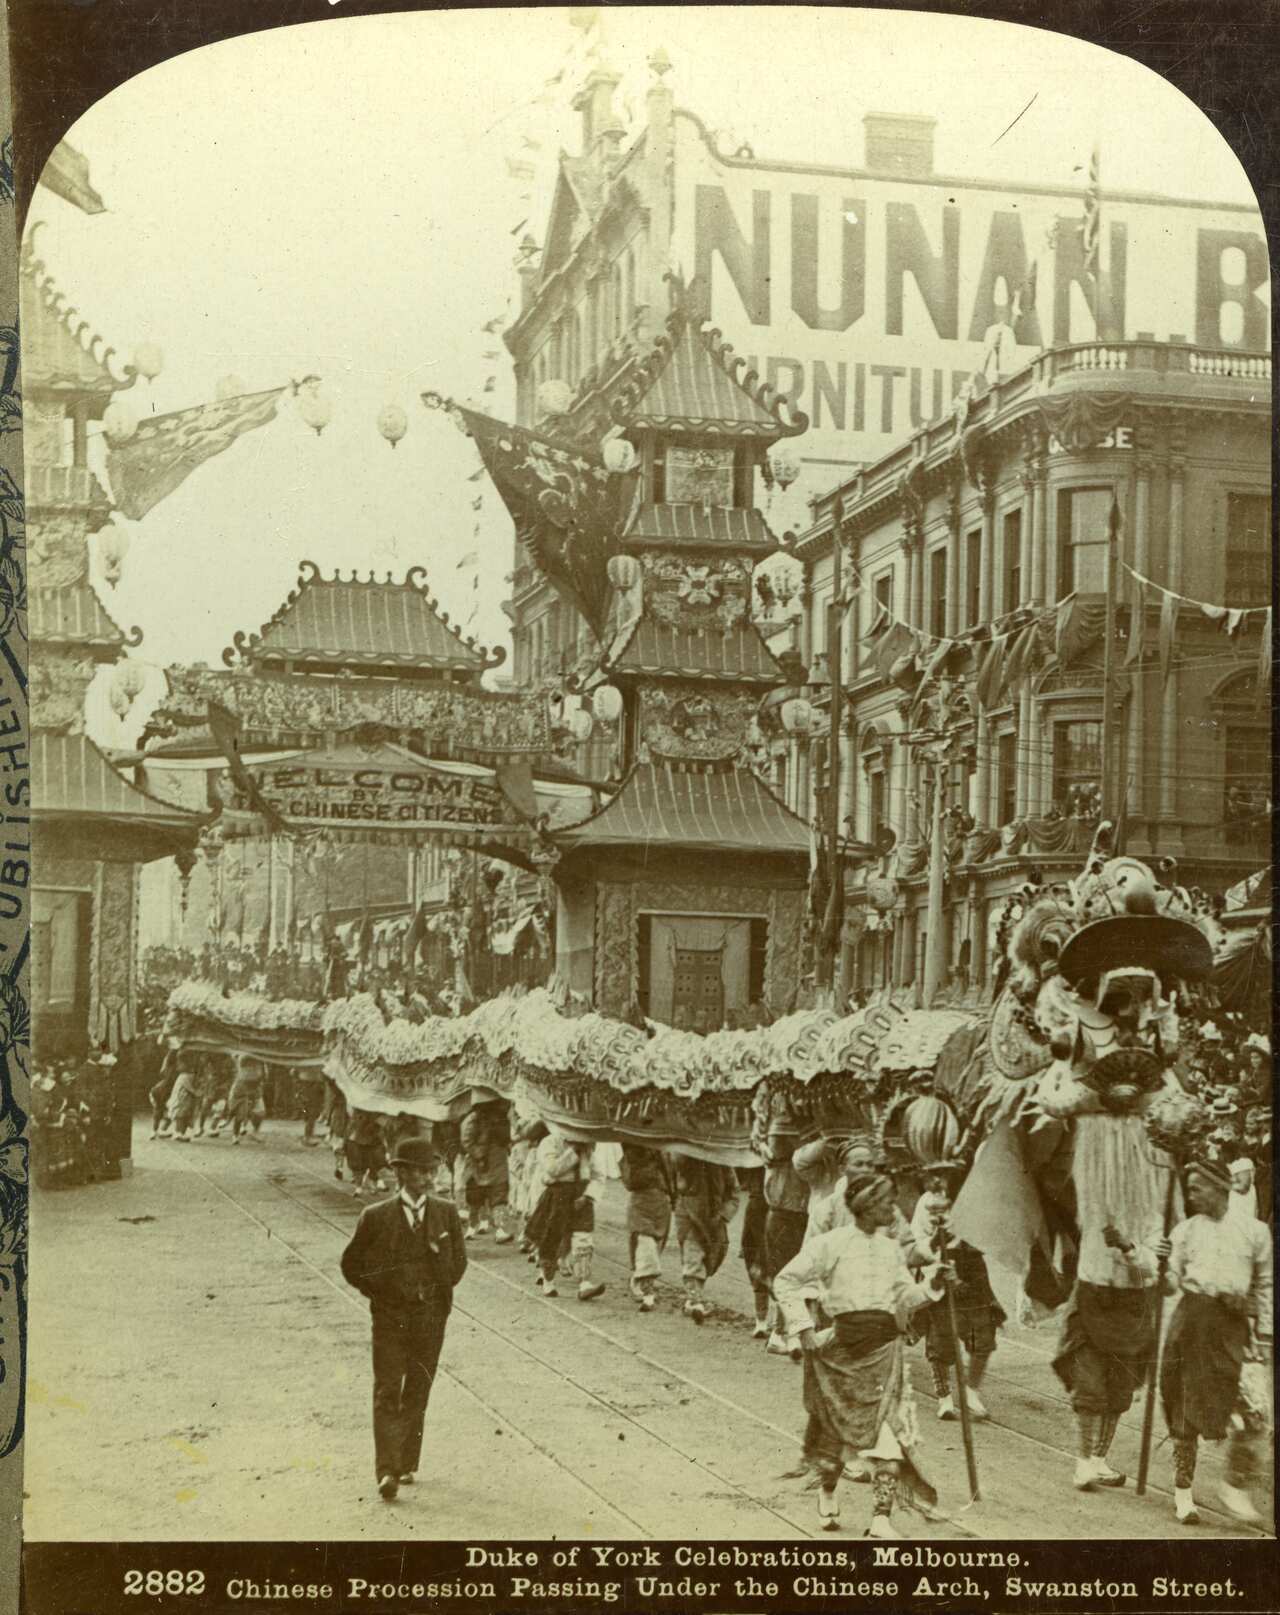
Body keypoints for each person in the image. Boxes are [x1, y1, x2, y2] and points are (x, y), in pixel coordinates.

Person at [774, 1168, 946, 1538]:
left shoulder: (890, 1249)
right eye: (886, 1202)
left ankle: (880, 1520)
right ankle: (827, 1488)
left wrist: (934, 1285)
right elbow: (785, 1280)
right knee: (834, 1438)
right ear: (866, 1206)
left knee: (888, 1437)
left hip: (885, 1355)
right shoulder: (829, 1245)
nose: (893, 1208)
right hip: (841, 1354)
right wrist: (803, 1330)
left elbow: (905, 1297)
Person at [340, 1138, 467, 1503]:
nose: (428, 1177)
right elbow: (352, 1265)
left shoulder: (446, 1213)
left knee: (418, 1387)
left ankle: (407, 1460)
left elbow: (458, 1263)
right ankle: (386, 1471)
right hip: (390, 1318)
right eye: (419, 1170)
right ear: (400, 1173)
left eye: (432, 1170)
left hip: (430, 1318)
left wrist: (435, 1294)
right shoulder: (376, 1216)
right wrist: (381, 1295)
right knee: (387, 1389)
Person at [1158, 1157, 1273, 1525]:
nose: (1191, 1195)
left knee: (1257, 1414)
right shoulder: (1185, 1231)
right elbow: (1169, 1283)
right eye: (1188, 1189)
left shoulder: (1255, 1232)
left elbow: (1266, 1285)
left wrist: (1266, 1331)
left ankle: (1234, 1487)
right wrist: (1157, 1264)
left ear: (1219, 1187)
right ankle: (1183, 1493)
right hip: (1192, 1323)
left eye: (1197, 1188)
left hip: (1237, 1327)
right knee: (1186, 1411)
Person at [909, 1177, 1004, 1422]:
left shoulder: (972, 1192)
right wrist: (938, 1265)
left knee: (982, 1337)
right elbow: (918, 1240)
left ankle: (971, 1392)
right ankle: (944, 1398)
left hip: (971, 1265)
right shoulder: (927, 1201)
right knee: (941, 1339)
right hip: (937, 1266)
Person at [524, 1129, 605, 1302]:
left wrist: (587, 1196)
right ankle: (548, 1280)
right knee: (551, 1238)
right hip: (558, 1193)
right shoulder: (550, 1142)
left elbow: (598, 1174)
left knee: (583, 1237)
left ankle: (584, 1283)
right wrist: (573, 1151)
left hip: (581, 1194)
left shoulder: (589, 1146)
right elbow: (553, 1169)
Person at [671, 1153, 739, 1324]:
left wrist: (723, 1215)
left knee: (713, 1257)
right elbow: (676, 1165)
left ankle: (693, 1300)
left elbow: (733, 1192)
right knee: (693, 1255)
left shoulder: (723, 1162)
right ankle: (695, 1300)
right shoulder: (685, 1157)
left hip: (714, 1216)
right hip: (689, 1212)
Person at [619, 1144, 673, 1312]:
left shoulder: (663, 1152)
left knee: (654, 1247)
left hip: (662, 1201)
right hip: (641, 1201)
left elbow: (671, 1177)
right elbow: (632, 1180)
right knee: (645, 1245)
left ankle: (638, 1278)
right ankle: (648, 1294)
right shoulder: (632, 1148)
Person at [737, 1165, 772, 1338]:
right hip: (760, 1205)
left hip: (776, 1209)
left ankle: (767, 1323)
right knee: (759, 1268)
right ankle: (762, 1322)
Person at [227, 1058, 265, 1145]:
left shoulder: (260, 1060)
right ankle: (235, 1135)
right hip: (242, 1087)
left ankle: (255, 1131)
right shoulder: (243, 1057)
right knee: (240, 1114)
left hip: (255, 1086)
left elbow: (262, 1074)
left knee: (260, 1112)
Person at [149, 1040, 180, 1141]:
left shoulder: (168, 1068)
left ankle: (156, 1131)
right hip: (164, 1090)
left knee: (160, 1111)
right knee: (171, 1110)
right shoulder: (174, 1069)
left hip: (159, 1090)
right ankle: (160, 1130)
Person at [1227, 1157, 1260, 1227]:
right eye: (1250, 1172)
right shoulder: (1235, 1191)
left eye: (1253, 1171)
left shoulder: (1252, 1188)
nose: (1253, 1174)